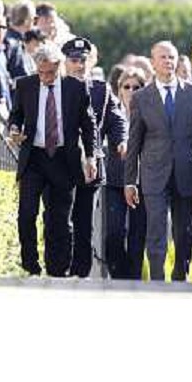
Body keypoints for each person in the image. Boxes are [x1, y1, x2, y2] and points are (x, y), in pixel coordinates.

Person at [125, 40, 192, 281]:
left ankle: (181, 277)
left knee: (183, 231)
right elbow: (134, 141)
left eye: (172, 57)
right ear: (153, 62)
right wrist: (130, 181)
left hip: (186, 172)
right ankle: (156, 279)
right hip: (153, 173)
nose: (168, 61)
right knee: (156, 228)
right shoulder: (141, 97)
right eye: (163, 57)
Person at [7, 42, 97, 277]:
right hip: (34, 158)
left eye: (50, 72)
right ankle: (30, 265)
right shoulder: (25, 85)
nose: (45, 77)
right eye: (41, 72)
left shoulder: (75, 88)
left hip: (63, 160)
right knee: (27, 214)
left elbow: (88, 126)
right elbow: (15, 114)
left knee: (59, 219)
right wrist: (14, 129)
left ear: (59, 67)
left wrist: (90, 157)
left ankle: (57, 270)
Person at [60, 37, 127, 278]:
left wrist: (121, 140)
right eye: (74, 60)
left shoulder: (101, 89)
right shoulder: (56, 86)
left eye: (83, 60)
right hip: (60, 165)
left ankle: (80, 272)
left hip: (91, 167)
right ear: (65, 62)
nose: (79, 65)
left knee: (84, 222)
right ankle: (60, 267)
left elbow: (116, 119)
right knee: (59, 219)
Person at [105, 67, 148, 279]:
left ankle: (134, 279)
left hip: (142, 182)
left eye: (136, 87)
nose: (131, 91)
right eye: (126, 86)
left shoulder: (150, 113)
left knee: (137, 234)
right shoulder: (111, 112)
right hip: (115, 180)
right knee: (114, 232)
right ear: (119, 90)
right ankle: (118, 276)